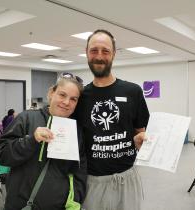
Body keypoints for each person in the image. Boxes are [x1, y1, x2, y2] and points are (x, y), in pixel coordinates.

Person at [76, 29, 150, 210]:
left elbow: (141, 133)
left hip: (127, 179)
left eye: (105, 51)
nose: (99, 56)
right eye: (94, 50)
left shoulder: (133, 91)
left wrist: (141, 141)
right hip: (93, 183)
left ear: (114, 54)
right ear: (86, 53)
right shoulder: (80, 96)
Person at [0, 73, 87, 210]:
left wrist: (75, 199)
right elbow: (2, 155)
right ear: (51, 93)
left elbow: (80, 171)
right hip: (21, 205)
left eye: (73, 99)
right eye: (62, 95)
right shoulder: (26, 118)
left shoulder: (75, 130)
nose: (67, 102)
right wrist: (32, 140)